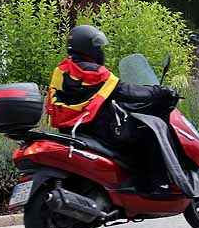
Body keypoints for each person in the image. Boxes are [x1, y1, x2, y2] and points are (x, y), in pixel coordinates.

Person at [47, 25, 178, 186]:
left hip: (69, 130)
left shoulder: (60, 71)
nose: (101, 51)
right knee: (148, 133)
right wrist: (160, 92)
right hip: (99, 131)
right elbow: (126, 91)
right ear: (88, 48)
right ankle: (158, 184)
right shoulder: (94, 73)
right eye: (98, 47)